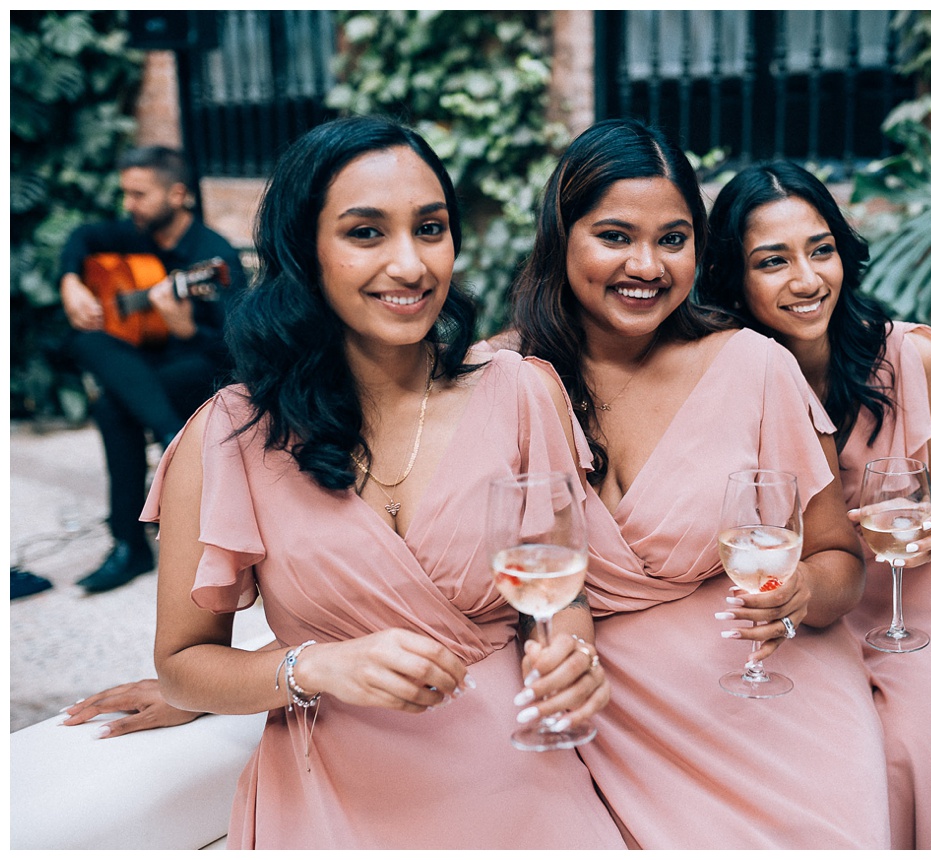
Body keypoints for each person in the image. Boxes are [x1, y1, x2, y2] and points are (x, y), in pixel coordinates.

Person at [142, 116, 622, 849]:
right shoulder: (226, 435)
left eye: (430, 228)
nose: (411, 265)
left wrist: (573, 653)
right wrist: (321, 664)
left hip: (519, 770)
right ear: (306, 250)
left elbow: (561, 597)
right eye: (366, 233)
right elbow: (182, 666)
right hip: (336, 788)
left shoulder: (522, 392)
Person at [505, 119, 891, 849]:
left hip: (771, 692)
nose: (647, 265)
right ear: (563, 236)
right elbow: (540, 586)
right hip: (616, 713)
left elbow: (840, 556)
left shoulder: (752, 365)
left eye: (673, 239)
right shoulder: (507, 380)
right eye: (616, 236)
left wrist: (803, 593)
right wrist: (568, 654)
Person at [698, 159, 931, 849]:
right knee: (840, 778)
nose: (808, 279)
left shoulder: (914, 357)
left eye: (821, 250)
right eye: (773, 261)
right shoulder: (725, 375)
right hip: (803, 600)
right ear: (733, 275)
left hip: (911, 592)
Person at [59, 145, 248, 593]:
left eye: (139, 195)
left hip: (204, 368)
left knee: (112, 408)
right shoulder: (135, 236)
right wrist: (70, 282)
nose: (129, 205)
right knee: (84, 338)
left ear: (178, 194)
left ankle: (129, 545)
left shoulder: (213, 257)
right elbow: (81, 237)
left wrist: (184, 328)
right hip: (148, 364)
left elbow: (234, 352)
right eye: (126, 194)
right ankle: (166, 433)